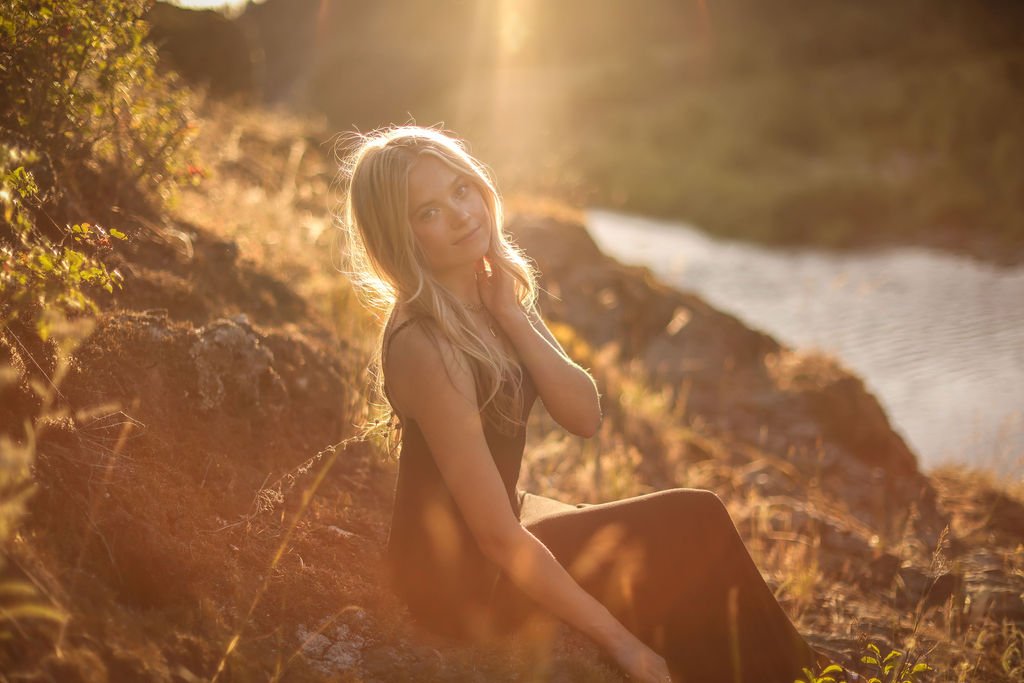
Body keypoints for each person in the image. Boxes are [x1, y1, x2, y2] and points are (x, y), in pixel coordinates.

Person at [340, 126, 821, 683]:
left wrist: (514, 315)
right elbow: (495, 536)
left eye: (460, 190)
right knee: (696, 518)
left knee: (677, 545)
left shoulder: (488, 288)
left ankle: (795, 672)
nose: (460, 214)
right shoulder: (425, 344)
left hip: (507, 519)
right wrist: (627, 647)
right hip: (461, 582)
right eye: (427, 212)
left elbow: (583, 416)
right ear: (397, 237)